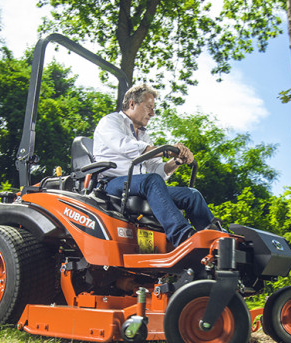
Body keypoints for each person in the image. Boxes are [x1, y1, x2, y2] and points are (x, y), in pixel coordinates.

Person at [93, 83, 221, 247]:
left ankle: (216, 241)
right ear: (132, 103)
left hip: (141, 185)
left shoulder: (145, 136)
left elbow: (157, 172)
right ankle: (184, 237)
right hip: (112, 183)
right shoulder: (110, 122)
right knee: (150, 181)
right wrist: (167, 151)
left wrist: (176, 161)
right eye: (149, 107)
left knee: (192, 195)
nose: (152, 113)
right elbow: (126, 146)